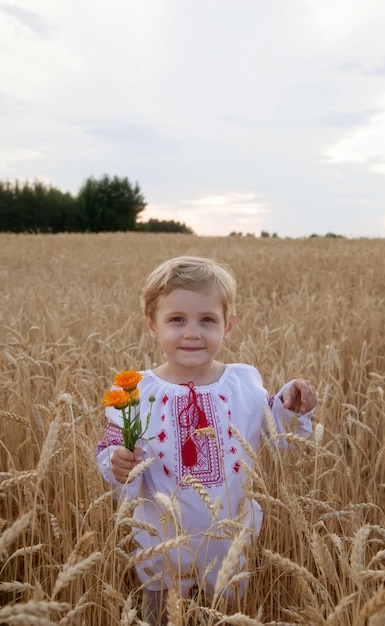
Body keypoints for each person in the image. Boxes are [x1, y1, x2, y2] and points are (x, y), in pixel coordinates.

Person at [97, 256, 318, 624]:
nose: (192, 332)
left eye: (207, 320)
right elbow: (111, 448)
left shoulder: (242, 383)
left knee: (226, 615)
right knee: (161, 616)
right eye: (177, 319)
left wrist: (291, 405)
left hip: (229, 539)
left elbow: (278, 432)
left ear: (228, 326)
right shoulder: (134, 391)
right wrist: (116, 462)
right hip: (161, 541)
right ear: (152, 325)